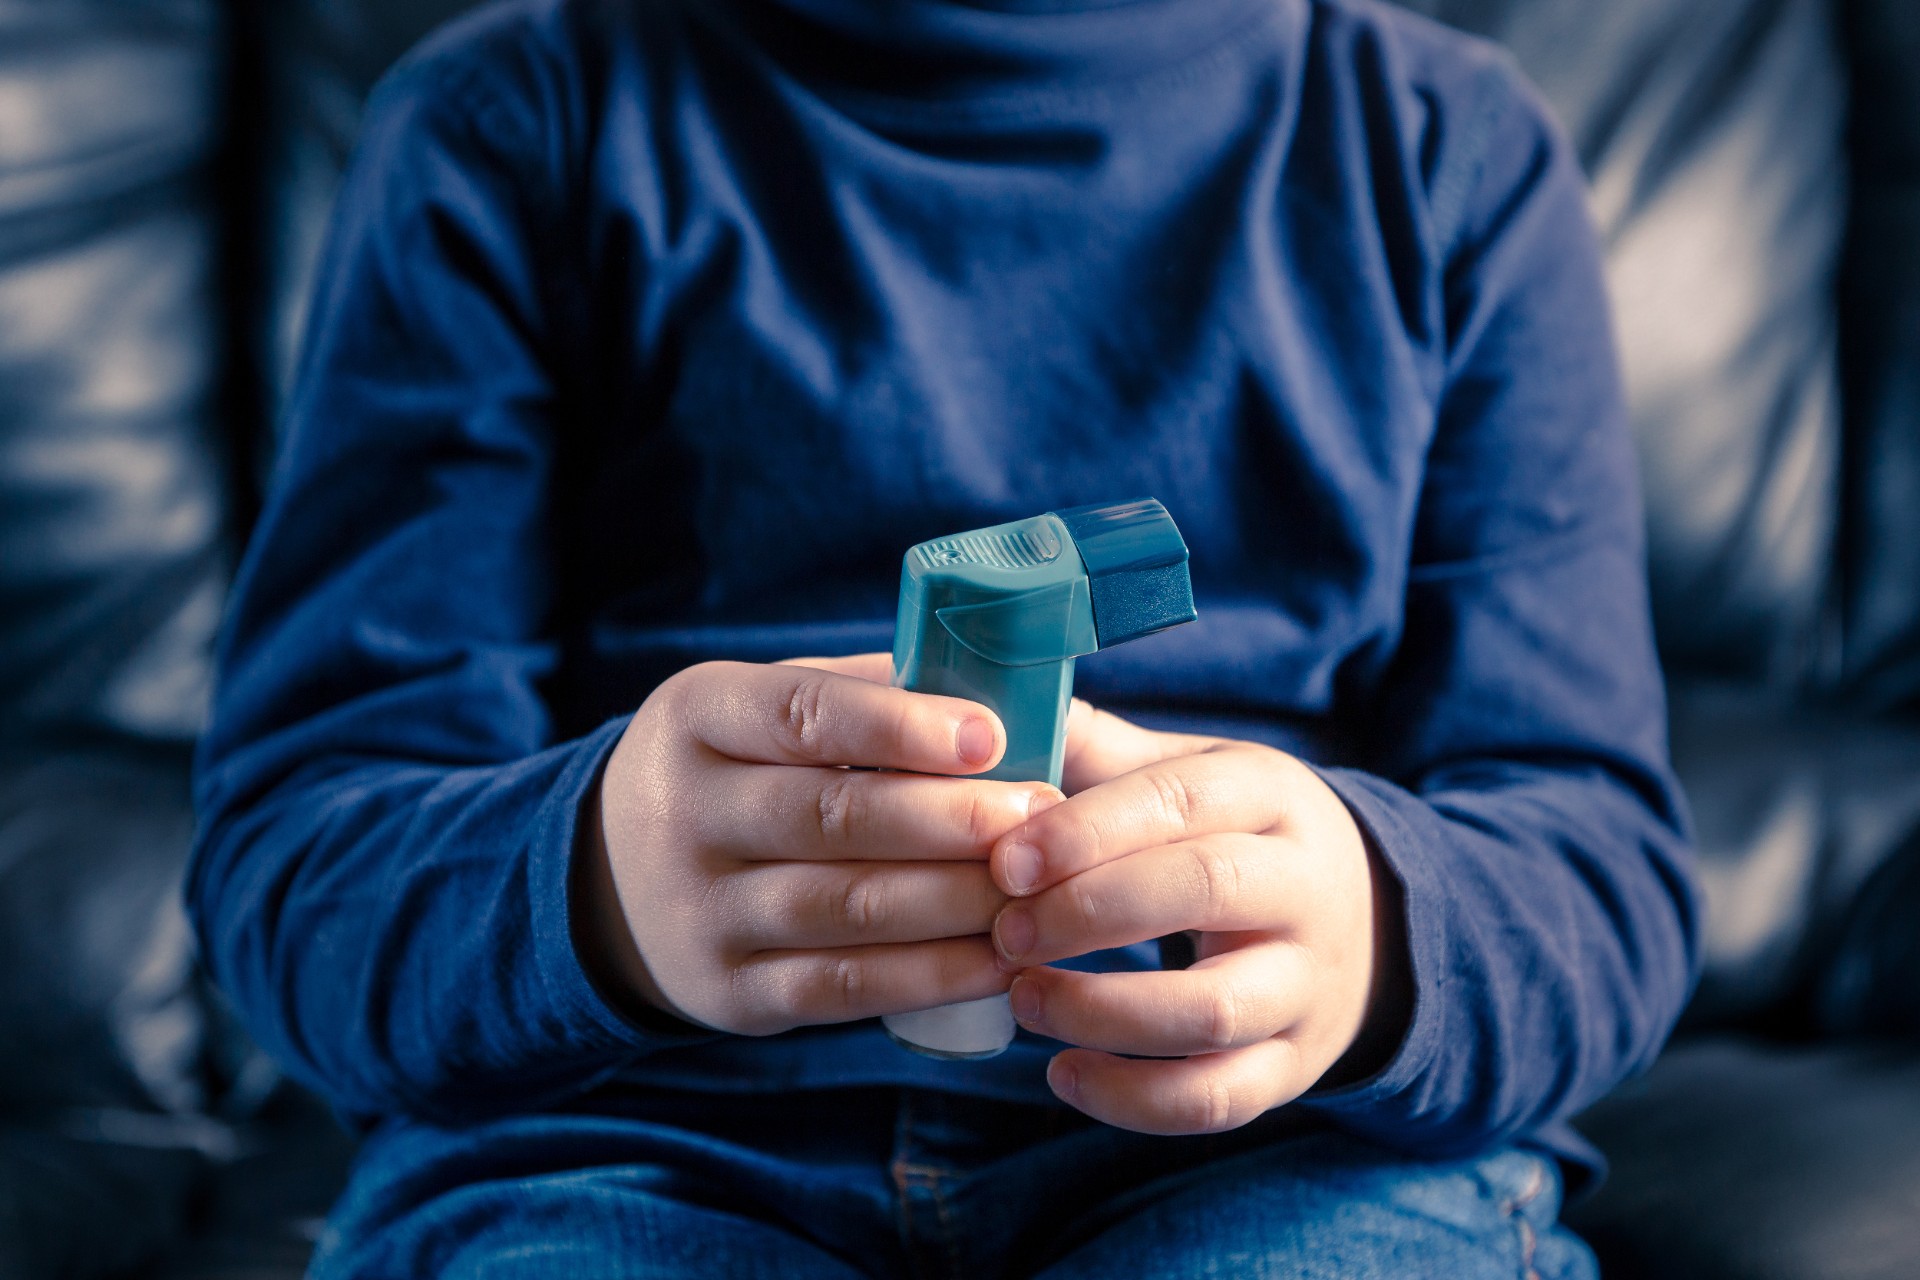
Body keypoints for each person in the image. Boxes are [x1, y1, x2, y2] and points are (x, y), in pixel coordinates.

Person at [188, 0, 1700, 1273]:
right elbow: (296, 867)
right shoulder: (508, 121)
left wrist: (1375, 937)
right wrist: (595, 886)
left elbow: (1598, 869)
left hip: (1283, 1152)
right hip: (611, 1145)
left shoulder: (1450, 153)